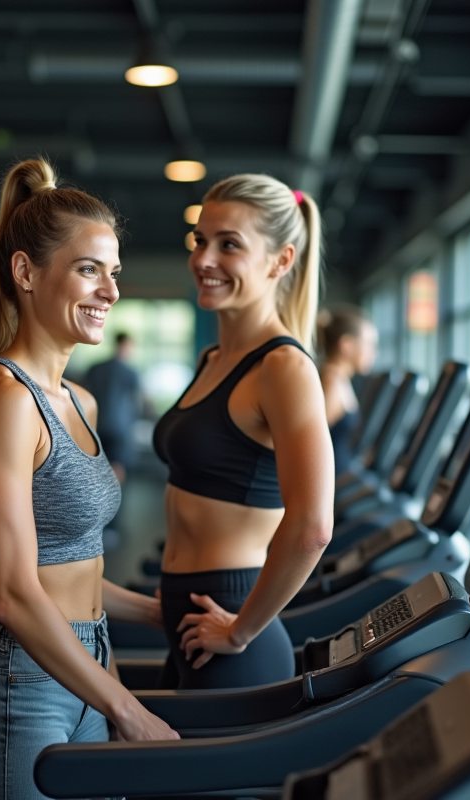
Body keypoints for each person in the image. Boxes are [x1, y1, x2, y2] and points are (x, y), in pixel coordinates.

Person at [0, 158, 178, 800]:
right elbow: (12, 594)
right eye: (89, 269)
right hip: (18, 686)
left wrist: (157, 613)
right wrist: (129, 709)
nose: (111, 292)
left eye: (114, 273)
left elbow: (75, 570)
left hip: (83, 669)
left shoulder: (80, 401)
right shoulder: (4, 398)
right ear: (26, 272)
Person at [153, 175, 334, 690]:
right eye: (200, 241)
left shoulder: (284, 368)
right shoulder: (214, 358)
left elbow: (313, 526)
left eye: (229, 244)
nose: (204, 259)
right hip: (189, 621)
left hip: (230, 625)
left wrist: (239, 632)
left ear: (280, 261)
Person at [318, 305, 378, 476]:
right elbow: (308, 446)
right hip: (333, 487)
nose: (374, 353)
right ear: (347, 345)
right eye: (369, 345)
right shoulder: (330, 385)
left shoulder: (339, 380)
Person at [84, 332, 143, 483]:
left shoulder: (95, 368)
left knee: (96, 466)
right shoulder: (130, 372)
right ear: (125, 345)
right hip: (119, 428)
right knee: (116, 468)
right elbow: (138, 401)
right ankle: (114, 503)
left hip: (95, 424)